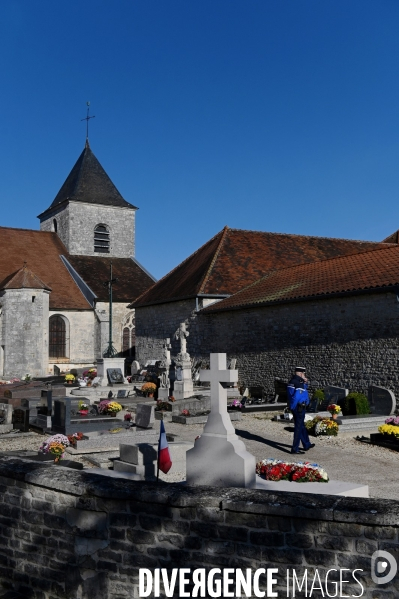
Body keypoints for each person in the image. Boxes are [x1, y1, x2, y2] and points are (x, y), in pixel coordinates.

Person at [287, 367, 315, 454]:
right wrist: (294, 406)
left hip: (296, 407)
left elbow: (293, 394)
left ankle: (306, 444)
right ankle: (295, 448)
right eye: (304, 373)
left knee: (301, 425)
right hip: (299, 407)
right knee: (298, 428)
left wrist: (305, 382)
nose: (304, 375)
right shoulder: (299, 383)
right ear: (301, 373)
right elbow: (297, 397)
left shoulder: (292, 381)